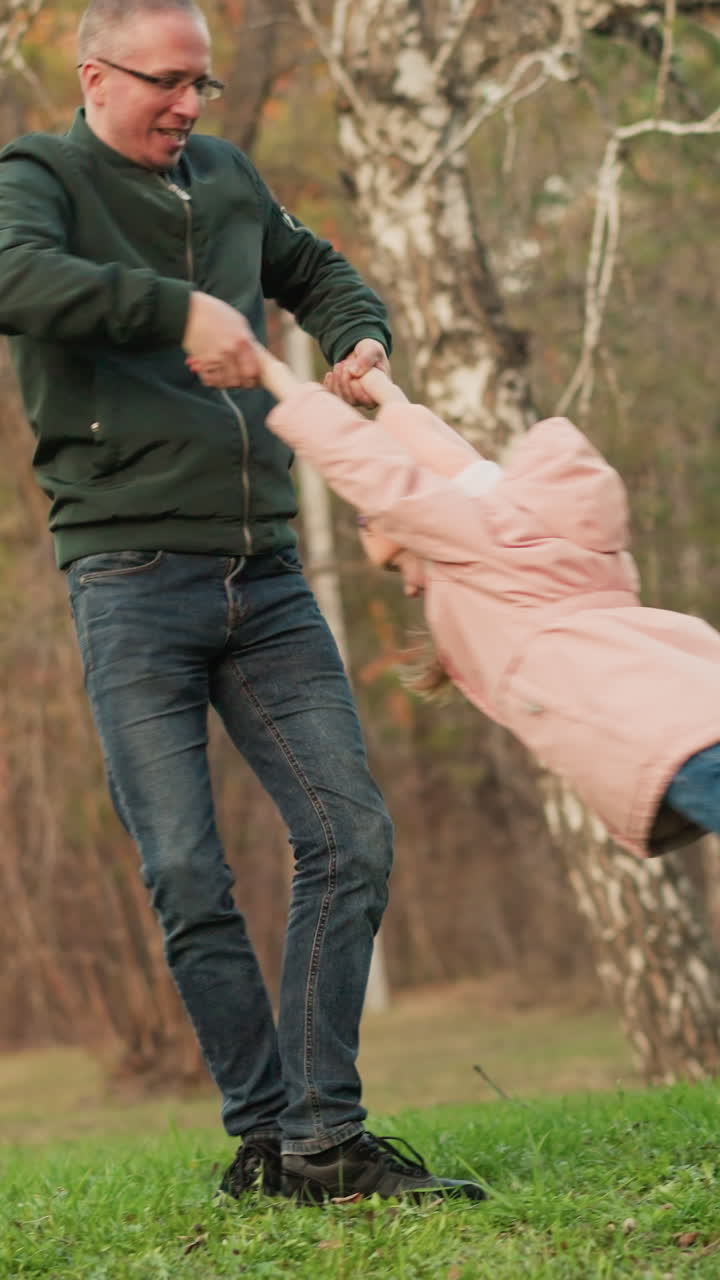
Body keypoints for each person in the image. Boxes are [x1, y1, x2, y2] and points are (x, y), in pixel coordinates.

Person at [0, 0, 486, 1206]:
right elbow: (15, 275)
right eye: (167, 83)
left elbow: (314, 268)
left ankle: (324, 1138)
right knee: (186, 874)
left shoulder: (221, 176)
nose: (188, 107)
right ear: (95, 72)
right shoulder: (39, 174)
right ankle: (269, 1138)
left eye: (202, 87)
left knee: (350, 836)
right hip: (126, 575)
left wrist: (356, 337)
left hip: (265, 573)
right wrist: (173, 310)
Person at [189, 338, 720, 860]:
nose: (411, 587)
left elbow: (374, 469)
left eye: (399, 563)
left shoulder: (483, 546)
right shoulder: (527, 534)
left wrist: (270, 371)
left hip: (680, 743)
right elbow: (458, 470)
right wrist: (382, 392)